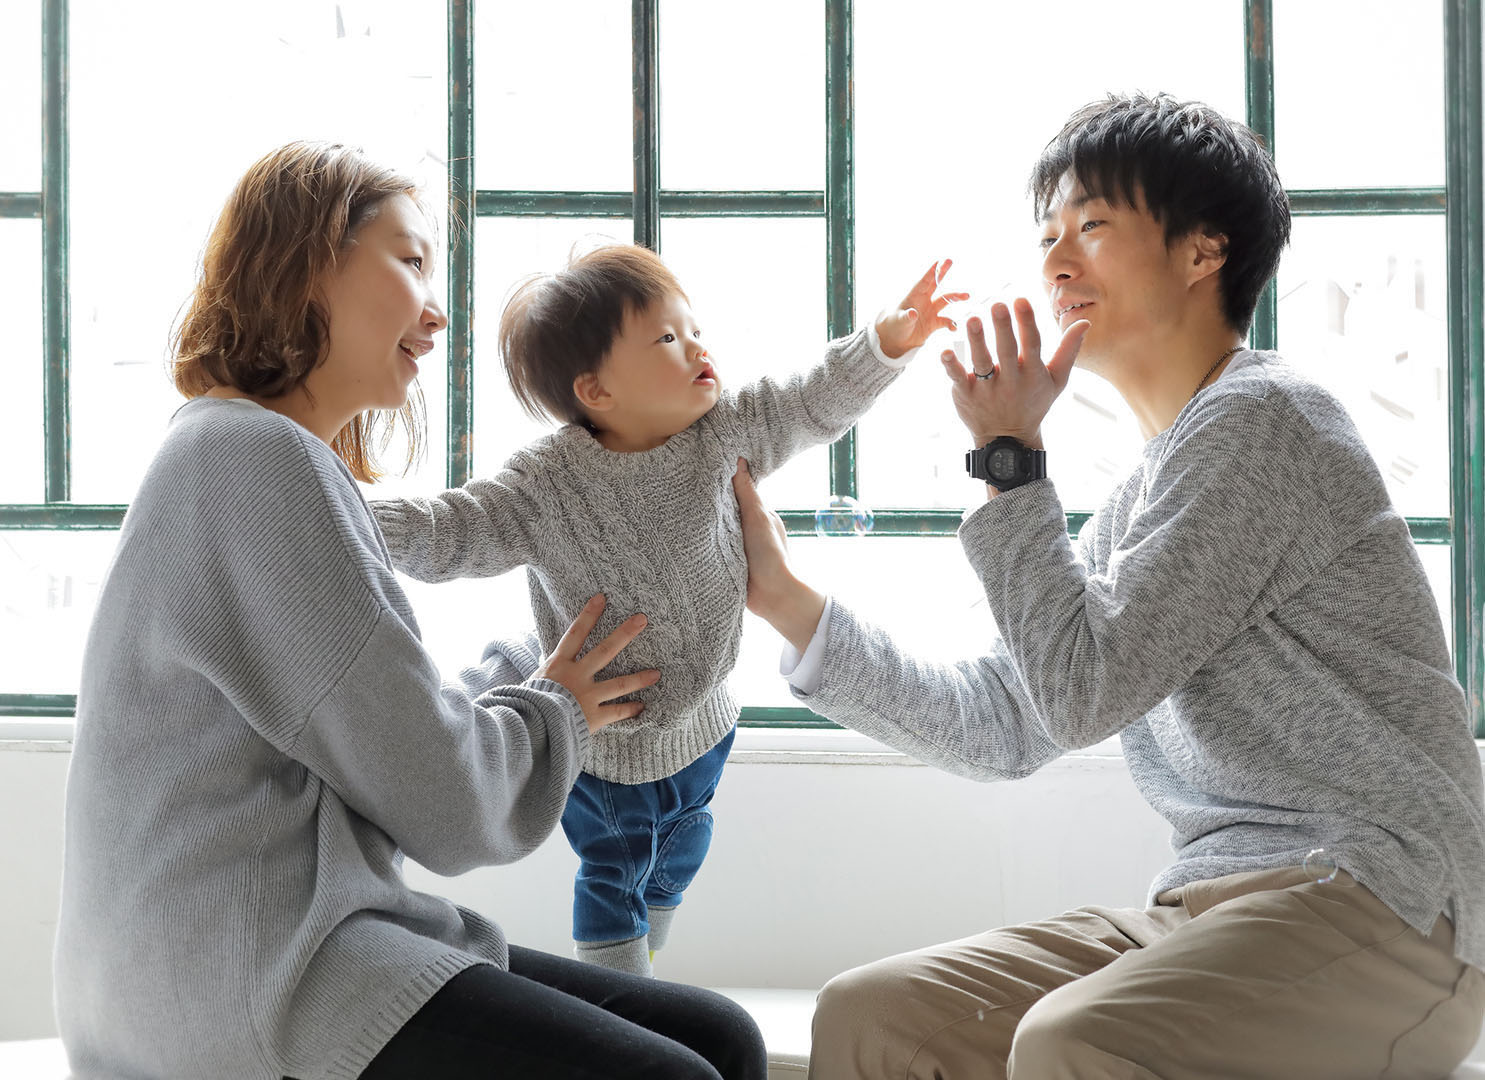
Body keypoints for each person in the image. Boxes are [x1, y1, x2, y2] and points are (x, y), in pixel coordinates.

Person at [729, 93, 1485, 1079]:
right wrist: (783, 598)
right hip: (1208, 910)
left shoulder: (1266, 421)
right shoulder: (1148, 491)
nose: (1055, 261)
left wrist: (1009, 462)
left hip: (1383, 907)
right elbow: (1003, 721)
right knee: (878, 1015)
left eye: (1091, 226)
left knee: (1073, 1042)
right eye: (1047, 235)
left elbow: (1087, 695)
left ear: (1203, 251)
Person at [52, 141, 767, 1080]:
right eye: (411, 260)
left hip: (231, 961)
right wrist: (549, 700)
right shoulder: (255, 462)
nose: (436, 315)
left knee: (718, 1036)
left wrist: (532, 669)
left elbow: (381, 735)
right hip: (253, 979)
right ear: (309, 260)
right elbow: (438, 803)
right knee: (677, 1073)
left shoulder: (232, 454)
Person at [368, 244, 963, 976]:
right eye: (667, 339)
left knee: (681, 850)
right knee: (614, 876)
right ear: (596, 391)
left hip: (707, 725)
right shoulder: (546, 484)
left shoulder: (723, 432)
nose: (697, 347)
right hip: (606, 754)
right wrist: (346, 511)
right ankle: (628, 1004)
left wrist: (887, 340)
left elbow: (811, 400)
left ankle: (649, 946)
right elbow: (451, 530)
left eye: (693, 328)